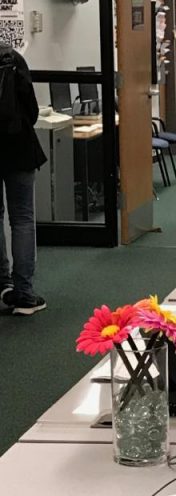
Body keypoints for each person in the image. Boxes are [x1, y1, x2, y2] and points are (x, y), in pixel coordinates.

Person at [0, 43, 47, 316]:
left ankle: (3, 284)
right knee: (22, 218)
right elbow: (31, 109)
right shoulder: (12, 58)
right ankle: (25, 295)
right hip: (18, 145)